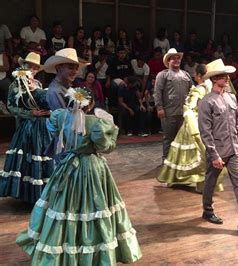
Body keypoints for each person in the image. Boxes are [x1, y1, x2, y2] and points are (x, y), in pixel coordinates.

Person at [16, 87, 142, 265]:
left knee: (65, 206)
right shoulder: (96, 123)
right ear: (89, 105)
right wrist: (112, 130)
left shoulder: (59, 117)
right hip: (91, 167)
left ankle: (63, 248)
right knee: (93, 206)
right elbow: (106, 147)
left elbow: (53, 134)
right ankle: (92, 252)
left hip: (67, 165)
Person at [198, 59, 238, 234]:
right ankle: (208, 210)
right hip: (217, 151)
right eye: (223, 75)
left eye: (226, 75)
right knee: (210, 181)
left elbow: (237, 124)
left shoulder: (231, 97)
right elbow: (205, 132)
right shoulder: (207, 102)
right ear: (214, 78)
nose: (227, 78)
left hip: (233, 149)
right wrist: (214, 155)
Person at [157, 63, 224, 191]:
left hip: (195, 123)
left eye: (195, 73)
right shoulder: (210, 87)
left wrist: (190, 118)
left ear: (199, 75)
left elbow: (189, 107)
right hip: (206, 122)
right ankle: (190, 180)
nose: (193, 75)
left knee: (193, 153)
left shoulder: (200, 89)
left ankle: (197, 181)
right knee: (191, 154)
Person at [0, 52, 53, 203]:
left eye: (36, 66)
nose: (33, 68)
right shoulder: (15, 84)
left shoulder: (39, 84)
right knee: (26, 157)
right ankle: (25, 192)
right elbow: (11, 107)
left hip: (42, 127)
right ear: (24, 66)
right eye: (30, 65)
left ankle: (41, 192)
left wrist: (47, 112)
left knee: (42, 156)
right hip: (27, 126)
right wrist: (30, 113)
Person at [154, 48, 193, 162]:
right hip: (169, 111)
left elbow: (192, 90)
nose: (176, 60)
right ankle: (166, 160)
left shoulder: (186, 75)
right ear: (168, 61)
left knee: (182, 138)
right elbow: (157, 92)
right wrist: (159, 108)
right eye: (173, 58)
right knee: (168, 138)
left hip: (184, 111)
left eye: (178, 58)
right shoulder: (163, 75)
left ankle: (179, 161)